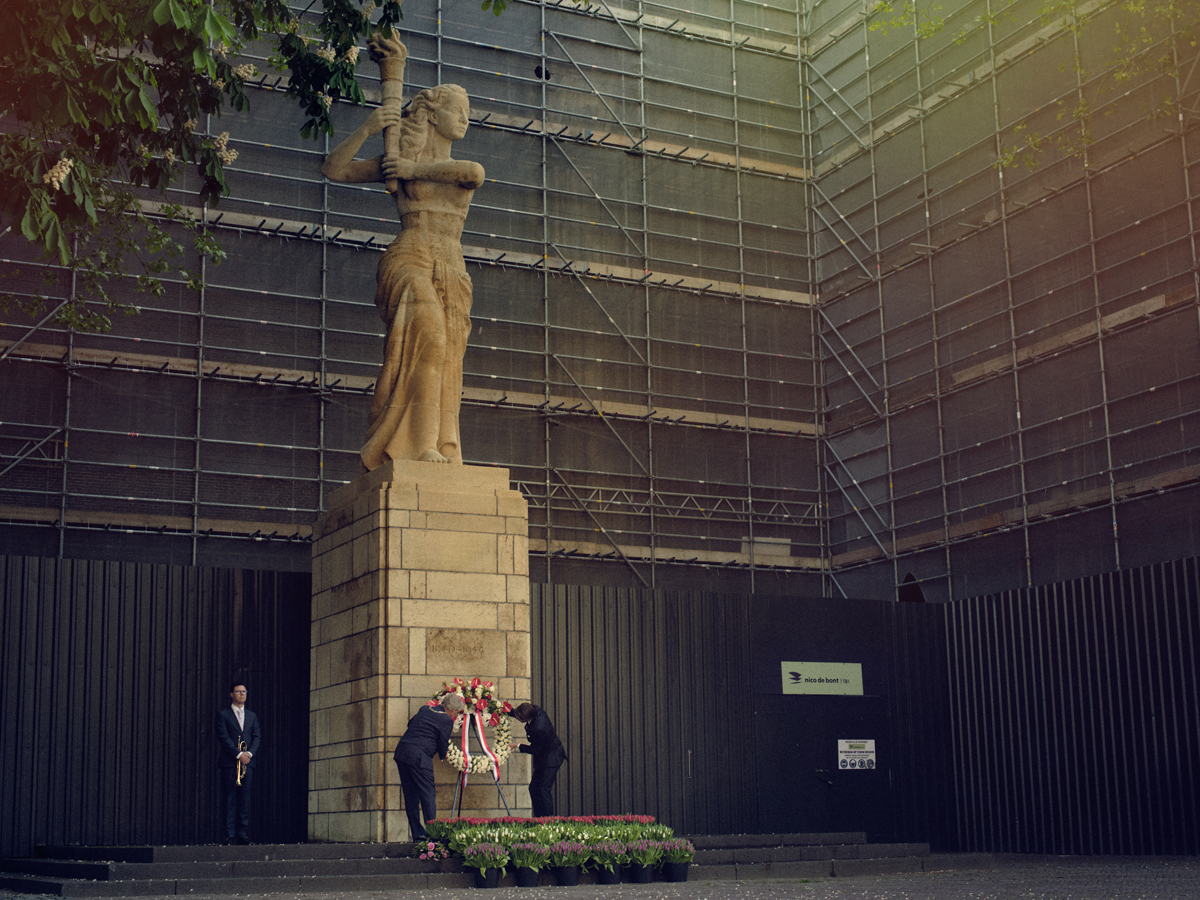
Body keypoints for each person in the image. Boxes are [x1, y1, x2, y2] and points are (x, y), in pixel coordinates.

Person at [322, 31, 485, 471]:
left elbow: (472, 172)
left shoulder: (445, 168)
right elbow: (334, 169)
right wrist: (371, 127)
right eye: (459, 111)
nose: (466, 119)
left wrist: (413, 168)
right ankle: (412, 443)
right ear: (433, 115)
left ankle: (436, 442)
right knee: (428, 335)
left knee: (448, 355)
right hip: (411, 250)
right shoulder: (395, 161)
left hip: (451, 261)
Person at [394, 692, 465, 841]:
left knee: (411, 795)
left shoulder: (425, 709)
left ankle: (418, 833)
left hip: (402, 752)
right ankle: (433, 834)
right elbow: (443, 743)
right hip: (419, 757)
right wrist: (444, 754)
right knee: (428, 794)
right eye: (457, 713)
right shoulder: (446, 720)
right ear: (453, 711)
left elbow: (411, 724)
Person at [215, 682, 261, 844]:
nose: (242, 694)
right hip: (230, 763)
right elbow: (223, 737)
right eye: (238, 691)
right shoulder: (223, 714)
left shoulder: (252, 715)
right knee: (230, 799)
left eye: (244, 691)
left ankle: (243, 834)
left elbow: (257, 737)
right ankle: (229, 834)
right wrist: (239, 754)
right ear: (231, 694)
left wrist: (248, 754)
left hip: (247, 763)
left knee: (244, 799)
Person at [510, 702, 567, 817]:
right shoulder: (534, 709)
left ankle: (548, 820)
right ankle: (539, 818)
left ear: (527, 718)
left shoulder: (540, 728)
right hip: (544, 757)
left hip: (552, 758)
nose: (516, 718)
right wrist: (500, 710)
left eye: (519, 718)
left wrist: (518, 745)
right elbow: (517, 713)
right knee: (534, 788)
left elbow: (536, 750)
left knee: (543, 790)